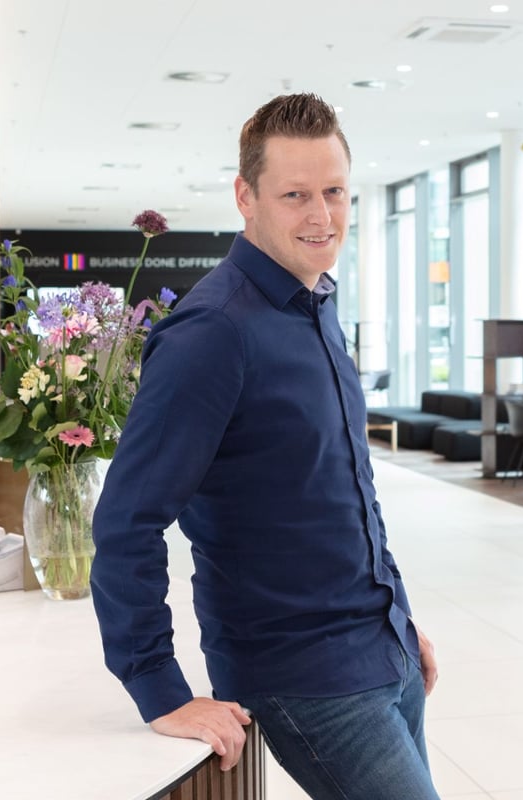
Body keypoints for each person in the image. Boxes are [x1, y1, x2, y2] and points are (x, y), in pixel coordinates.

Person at [91, 93, 441, 800]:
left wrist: (395, 620)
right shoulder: (212, 333)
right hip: (305, 675)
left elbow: (345, 489)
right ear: (245, 197)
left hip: (382, 651)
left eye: (334, 191)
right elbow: (127, 520)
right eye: (295, 195)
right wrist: (158, 688)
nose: (322, 216)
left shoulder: (317, 304)